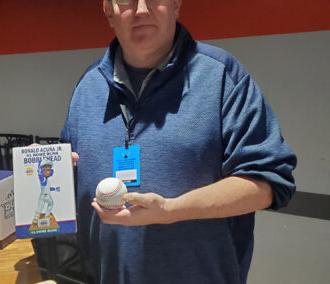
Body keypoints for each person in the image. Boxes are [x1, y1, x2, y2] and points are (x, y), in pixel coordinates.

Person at [60, 0, 297, 283]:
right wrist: (46, 167)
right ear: (108, 11)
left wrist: (171, 211)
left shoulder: (220, 75)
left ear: (176, 5)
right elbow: (72, 178)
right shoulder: (88, 86)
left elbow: (268, 183)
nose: (141, 9)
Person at [32, 159, 60, 225]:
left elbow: (48, 188)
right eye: (46, 168)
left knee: (40, 207)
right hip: (46, 196)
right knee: (51, 204)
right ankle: (47, 215)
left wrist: (55, 189)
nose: (48, 170)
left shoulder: (46, 181)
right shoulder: (43, 180)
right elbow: (40, 176)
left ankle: (35, 220)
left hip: (41, 196)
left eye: (49, 169)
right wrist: (39, 167)